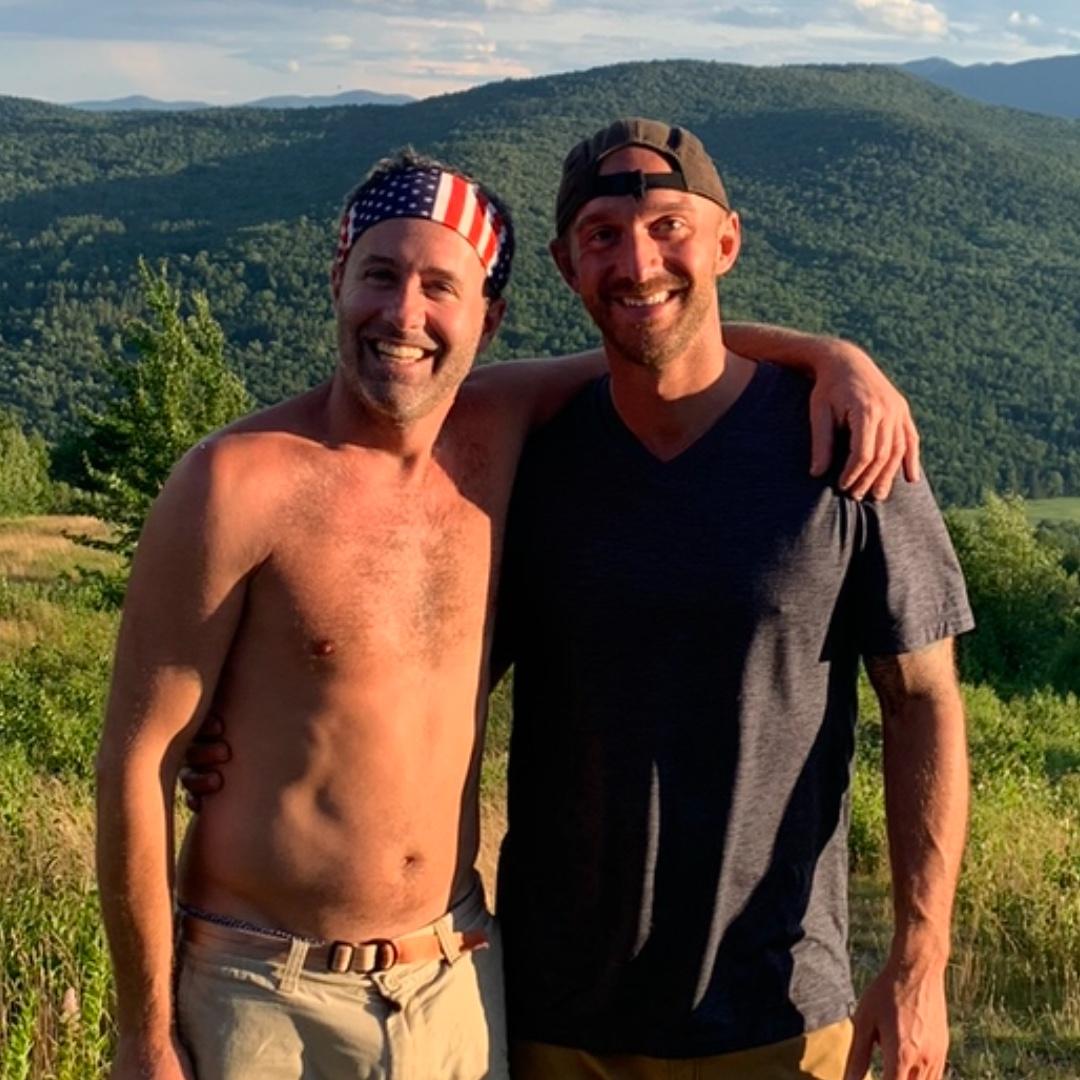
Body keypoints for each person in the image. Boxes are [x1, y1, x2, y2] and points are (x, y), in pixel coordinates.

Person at [98, 148, 917, 1080]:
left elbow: (662, 331)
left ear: (488, 317)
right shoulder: (235, 482)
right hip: (263, 990)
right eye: (379, 275)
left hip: (453, 981)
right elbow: (136, 760)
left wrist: (835, 358)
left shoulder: (501, 428)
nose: (404, 315)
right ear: (337, 281)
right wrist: (144, 1034)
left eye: (440, 287)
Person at [495, 118, 973, 1080]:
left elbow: (923, 701)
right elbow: (420, 676)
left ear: (727, 242)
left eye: (669, 226)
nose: (639, 262)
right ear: (565, 265)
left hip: (777, 1013)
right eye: (602, 235)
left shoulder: (852, 445)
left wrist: (921, 960)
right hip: (551, 1017)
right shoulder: (523, 462)